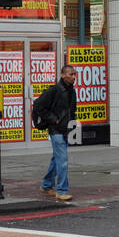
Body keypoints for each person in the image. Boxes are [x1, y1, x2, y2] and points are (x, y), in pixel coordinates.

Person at [36, 65, 77, 202]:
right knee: (63, 160)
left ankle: (46, 185)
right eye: (71, 74)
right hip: (56, 130)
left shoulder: (72, 91)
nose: (73, 77)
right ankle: (61, 191)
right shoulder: (54, 91)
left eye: (74, 74)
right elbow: (38, 106)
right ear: (63, 75)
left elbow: (72, 111)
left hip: (66, 129)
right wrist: (54, 119)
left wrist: (72, 126)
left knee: (57, 160)